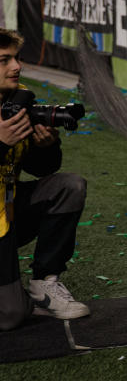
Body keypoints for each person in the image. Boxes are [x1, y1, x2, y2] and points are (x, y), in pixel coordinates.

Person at [0, 29, 89, 329]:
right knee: (11, 315)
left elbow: (43, 168)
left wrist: (45, 146)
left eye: (17, 58)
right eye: (4, 60)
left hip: (6, 216)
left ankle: (44, 284)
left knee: (69, 186)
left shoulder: (19, 99)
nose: (16, 67)